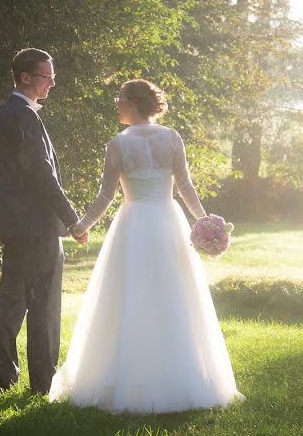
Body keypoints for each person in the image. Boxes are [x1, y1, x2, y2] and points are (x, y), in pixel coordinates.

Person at [49, 79, 244, 413]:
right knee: (174, 295)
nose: (116, 103)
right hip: (169, 221)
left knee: (130, 296)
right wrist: (204, 220)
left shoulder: (117, 145)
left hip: (134, 224)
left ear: (133, 103)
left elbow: (106, 196)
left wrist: (81, 226)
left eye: (120, 98)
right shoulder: (171, 138)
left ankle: (126, 376)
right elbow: (184, 186)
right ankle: (180, 377)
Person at [0, 48, 89, 395]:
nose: (53, 82)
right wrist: (72, 219)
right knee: (42, 306)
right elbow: (42, 174)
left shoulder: (6, 113)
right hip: (36, 226)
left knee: (11, 302)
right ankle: (43, 383)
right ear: (25, 77)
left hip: (16, 226)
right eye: (47, 76)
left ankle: (5, 379)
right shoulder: (22, 116)